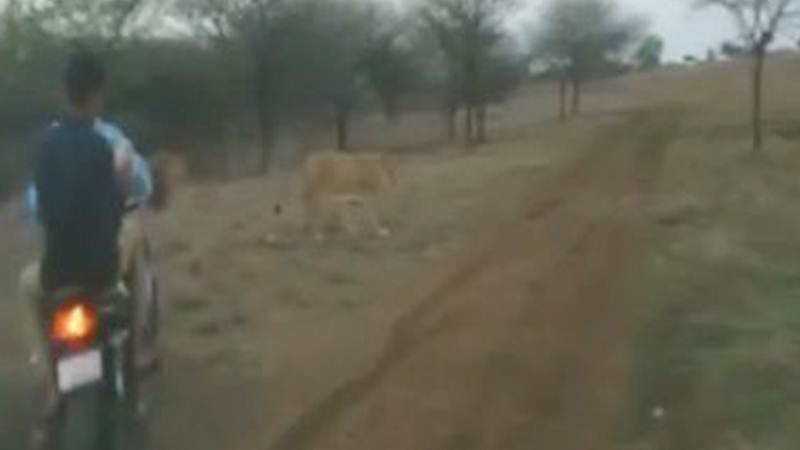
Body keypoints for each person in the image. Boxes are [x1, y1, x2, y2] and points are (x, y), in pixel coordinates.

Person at [19, 49, 154, 418]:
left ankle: (51, 384)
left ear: (64, 94)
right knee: (136, 239)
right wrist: (123, 183)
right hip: (102, 270)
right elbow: (131, 196)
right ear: (98, 94)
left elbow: (36, 206)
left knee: (28, 287)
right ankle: (139, 344)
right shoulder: (108, 143)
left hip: (56, 274)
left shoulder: (44, 145)